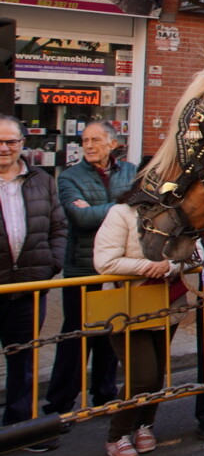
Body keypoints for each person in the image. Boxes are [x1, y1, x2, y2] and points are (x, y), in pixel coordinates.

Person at [45, 121, 136, 418]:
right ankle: (60, 406)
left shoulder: (130, 171)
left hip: (118, 268)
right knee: (75, 339)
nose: (88, 145)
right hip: (83, 270)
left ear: (113, 144)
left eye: (95, 139)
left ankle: (104, 396)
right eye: (85, 140)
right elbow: (80, 218)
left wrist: (103, 210)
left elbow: (144, 207)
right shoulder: (69, 177)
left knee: (110, 335)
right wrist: (123, 207)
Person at [92, 200, 190, 456]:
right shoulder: (120, 213)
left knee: (158, 371)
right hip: (126, 306)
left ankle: (144, 424)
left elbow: (195, 252)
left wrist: (168, 266)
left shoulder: (178, 210)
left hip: (166, 303)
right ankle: (118, 435)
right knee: (142, 374)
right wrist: (147, 267)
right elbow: (104, 261)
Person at [0, 114, 67, 451]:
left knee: (23, 362)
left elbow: (59, 226)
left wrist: (50, 264)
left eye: (11, 141)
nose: (5, 148)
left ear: (23, 144)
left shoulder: (42, 179)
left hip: (28, 286)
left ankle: (20, 428)